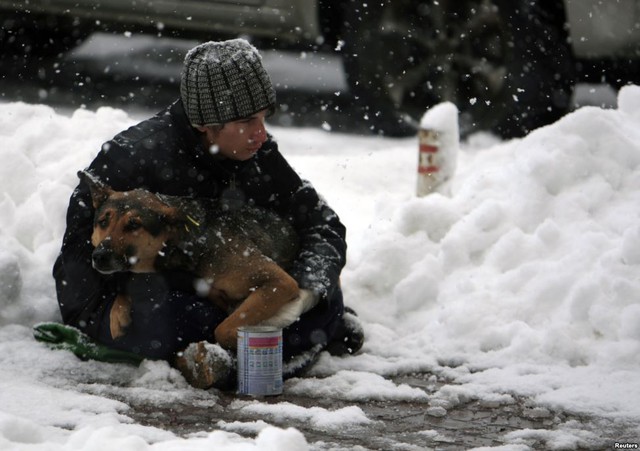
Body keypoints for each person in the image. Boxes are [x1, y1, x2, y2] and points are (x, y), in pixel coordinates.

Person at [52, 39, 364, 389]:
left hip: (215, 276)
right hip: (126, 297)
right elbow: (82, 253)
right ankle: (300, 339)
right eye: (247, 121)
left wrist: (310, 287)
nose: (261, 133)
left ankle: (233, 356)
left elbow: (321, 222)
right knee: (179, 318)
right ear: (205, 124)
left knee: (316, 292)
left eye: (264, 118)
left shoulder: (255, 151)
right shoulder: (133, 156)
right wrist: (145, 287)